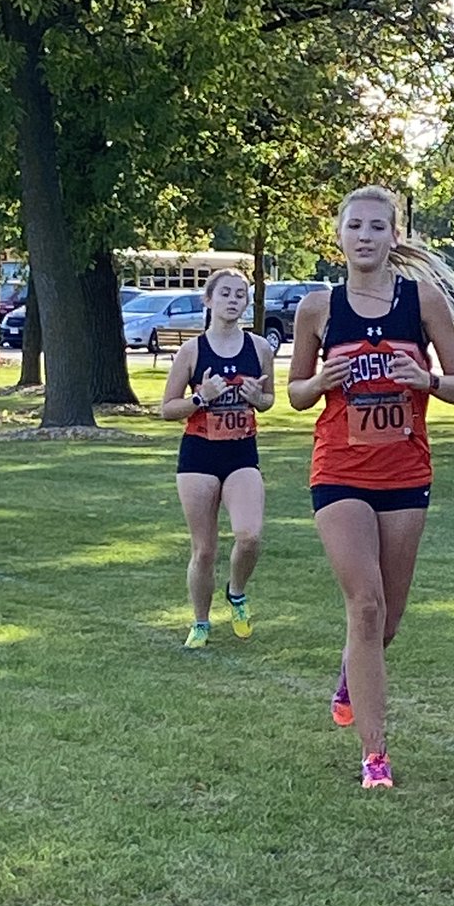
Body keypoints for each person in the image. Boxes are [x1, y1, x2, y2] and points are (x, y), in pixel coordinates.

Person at [289, 185, 454, 788]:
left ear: (394, 237)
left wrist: (425, 380)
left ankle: (351, 677)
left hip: (405, 473)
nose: (365, 236)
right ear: (339, 236)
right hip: (339, 470)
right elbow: (295, 394)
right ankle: (375, 755)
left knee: (386, 621)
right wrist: (321, 382)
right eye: (355, 226)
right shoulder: (318, 308)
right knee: (364, 606)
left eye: (377, 226)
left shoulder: (422, 302)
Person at [161, 269, 274, 648]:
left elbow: (268, 399)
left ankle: (237, 593)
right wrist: (201, 397)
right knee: (205, 550)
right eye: (225, 293)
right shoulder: (192, 351)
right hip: (199, 456)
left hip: (242, 454)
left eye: (240, 295)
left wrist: (258, 399)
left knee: (250, 536)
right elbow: (167, 409)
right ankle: (200, 622)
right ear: (208, 300)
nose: (233, 300)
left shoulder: (260, 349)